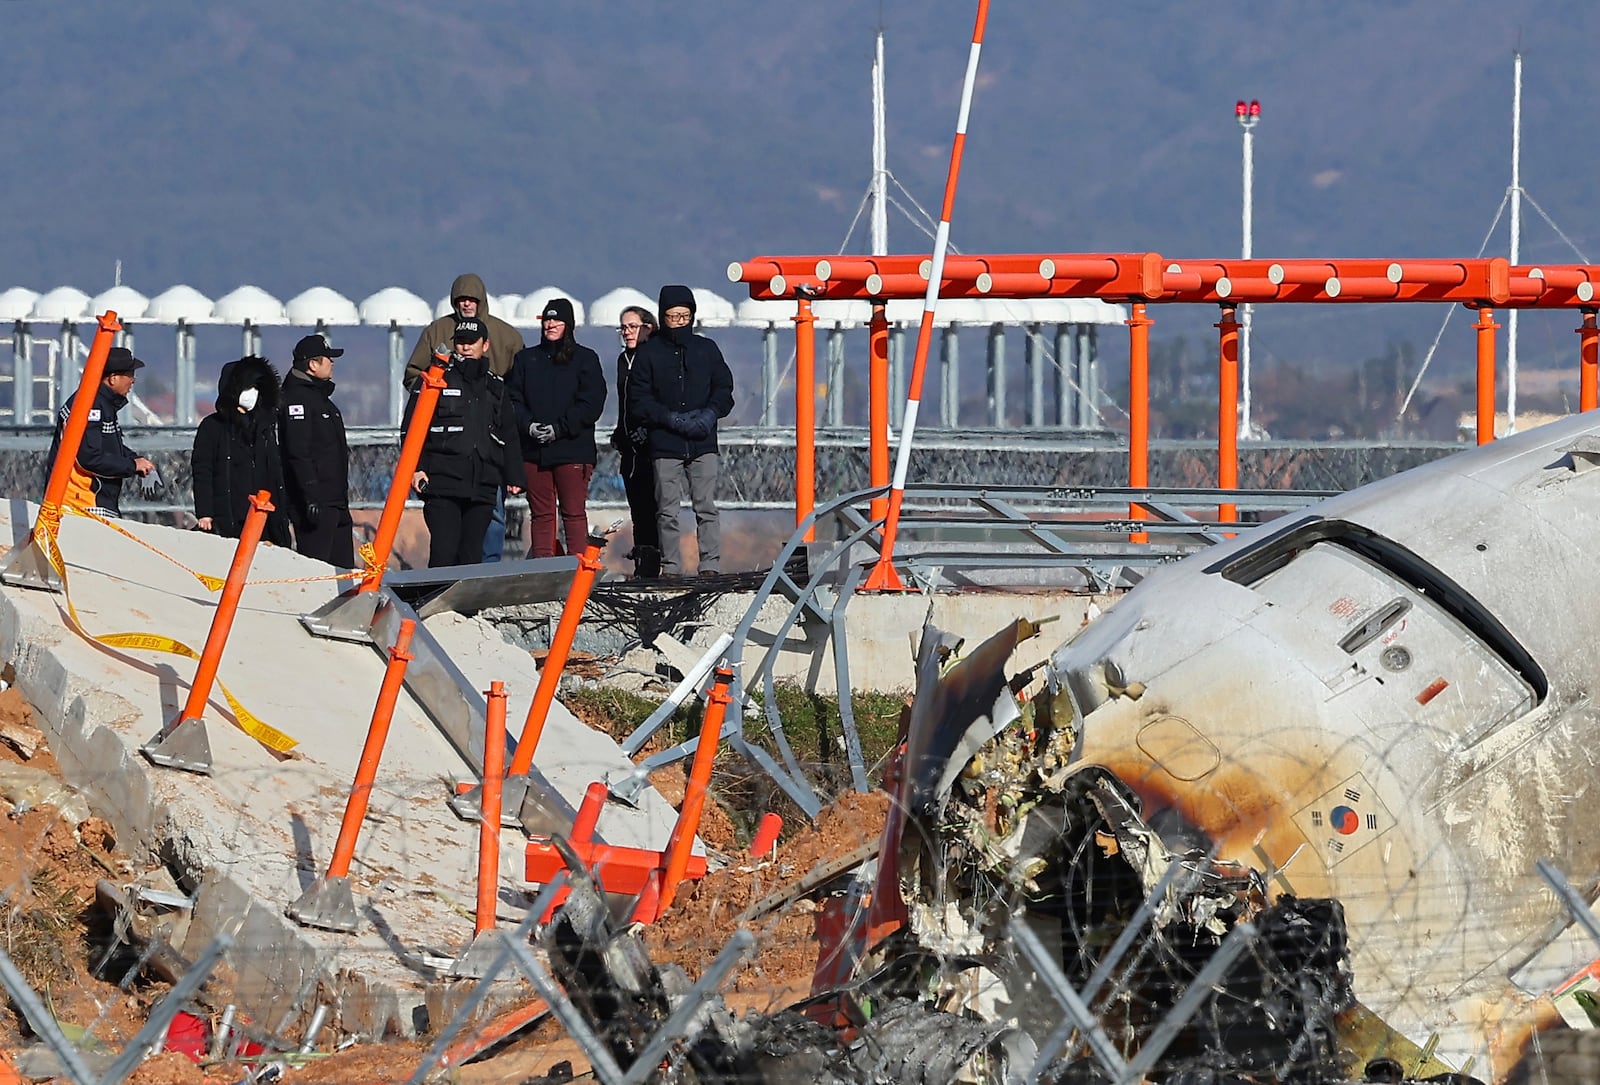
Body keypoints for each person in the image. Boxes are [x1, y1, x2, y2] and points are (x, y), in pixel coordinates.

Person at [404, 274, 526, 564]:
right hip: (444, 478)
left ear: (486, 345)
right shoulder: (436, 377)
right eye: (461, 342)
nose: (466, 346)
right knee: (445, 551)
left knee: (476, 552)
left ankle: (470, 604)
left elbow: (508, 431)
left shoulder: (495, 385)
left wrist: (514, 475)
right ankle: (436, 605)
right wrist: (416, 467)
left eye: (472, 342)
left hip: (483, 480)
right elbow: (412, 426)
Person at [626, 286, 735, 576]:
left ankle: (710, 565)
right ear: (664, 317)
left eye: (684, 316)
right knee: (667, 509)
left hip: (703, 441)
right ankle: (671, 566)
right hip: (665, 442)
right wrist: (669, 419)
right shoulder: (649, 353)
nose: (679, 322)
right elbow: (639, 399)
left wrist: (710, 415)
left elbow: (724, 389)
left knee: (706, 507)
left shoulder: (707, 349)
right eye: (673, 316)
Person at [508, 297, 605, 559]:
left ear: (568, 324)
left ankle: (578, 572)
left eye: (556, 320)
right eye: (547, 319)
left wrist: (560, 428)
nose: (550, 324)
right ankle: (543, 571)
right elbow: (513, 400)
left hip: (573, 450)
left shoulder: (585, 359)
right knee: (541, 515)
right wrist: (528, 426)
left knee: (573, 513)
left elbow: (591, 403)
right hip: (534, 452)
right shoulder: (526, 359)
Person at [191, 355, 293, 546]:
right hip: (229, 514)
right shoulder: (212, 426)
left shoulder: (264, 427)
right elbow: (203, 470)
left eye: (256, 388)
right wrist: (205, 512)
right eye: (247, 388)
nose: (251, 393)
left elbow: (275, 471)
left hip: (265, 515)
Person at [47, 346, 155, 517]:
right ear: (112, 378)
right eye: (129, 374)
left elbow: (106, 446)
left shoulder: (100, 403)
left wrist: (134, 459)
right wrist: (132, 466)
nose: (133, 380)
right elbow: (89, 458)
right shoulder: (90, 406)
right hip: (82, 504)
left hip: (93, 501)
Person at [279, 334, 354, 568]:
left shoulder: (322, 400)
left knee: (342, 571)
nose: (332, 363)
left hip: (336, 500)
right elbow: (297, 451)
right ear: (313, 365)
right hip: (315, 504)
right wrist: (310, 496)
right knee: (317, 568)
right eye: (327, 359)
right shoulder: (297, 400)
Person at [610, 305, 661, 578]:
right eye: (624, 327)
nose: (627, 332)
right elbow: (624, 401)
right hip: (629, 446)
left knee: (656, 507)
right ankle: (643, 562)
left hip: (652, 445)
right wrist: (621, 432)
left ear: (647, 327)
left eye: (632, 326)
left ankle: (655, 563)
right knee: (638, 507)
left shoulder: (654, 357)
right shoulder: (623, 361)